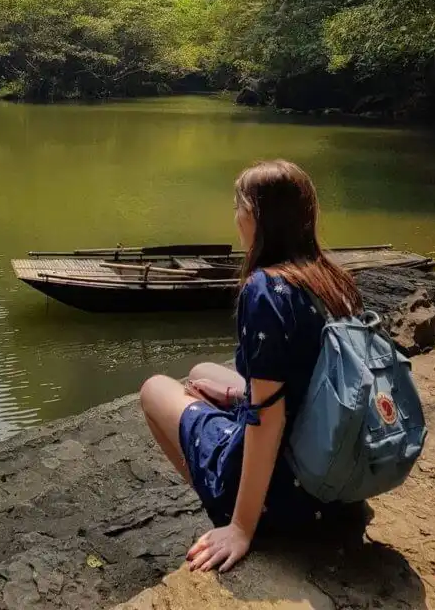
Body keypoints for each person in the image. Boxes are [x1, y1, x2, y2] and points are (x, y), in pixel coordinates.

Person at [139, 159, 364, 574]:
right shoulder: (333, 279)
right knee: (202, 372)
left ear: (257, 216)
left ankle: (233, 503)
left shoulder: (264, 291)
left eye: (239, 206)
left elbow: (268, 418)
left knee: (154, 388)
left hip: (291, 480)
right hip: (327, 454)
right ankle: (244, 495)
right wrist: (236, 395)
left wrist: (240, 528)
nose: (235, 217)